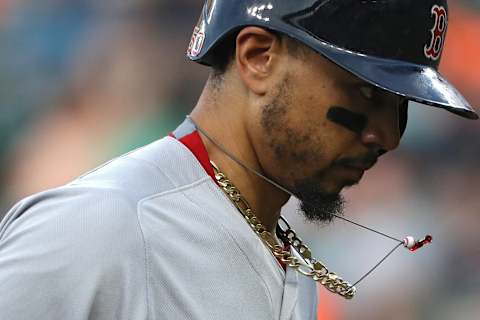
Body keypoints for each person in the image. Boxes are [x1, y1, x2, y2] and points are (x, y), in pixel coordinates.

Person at [0, 0, 477, 319]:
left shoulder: (284, 255)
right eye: (365, 92)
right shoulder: (100, 226)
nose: (388, 136)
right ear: (257, 57)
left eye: (400, 106)